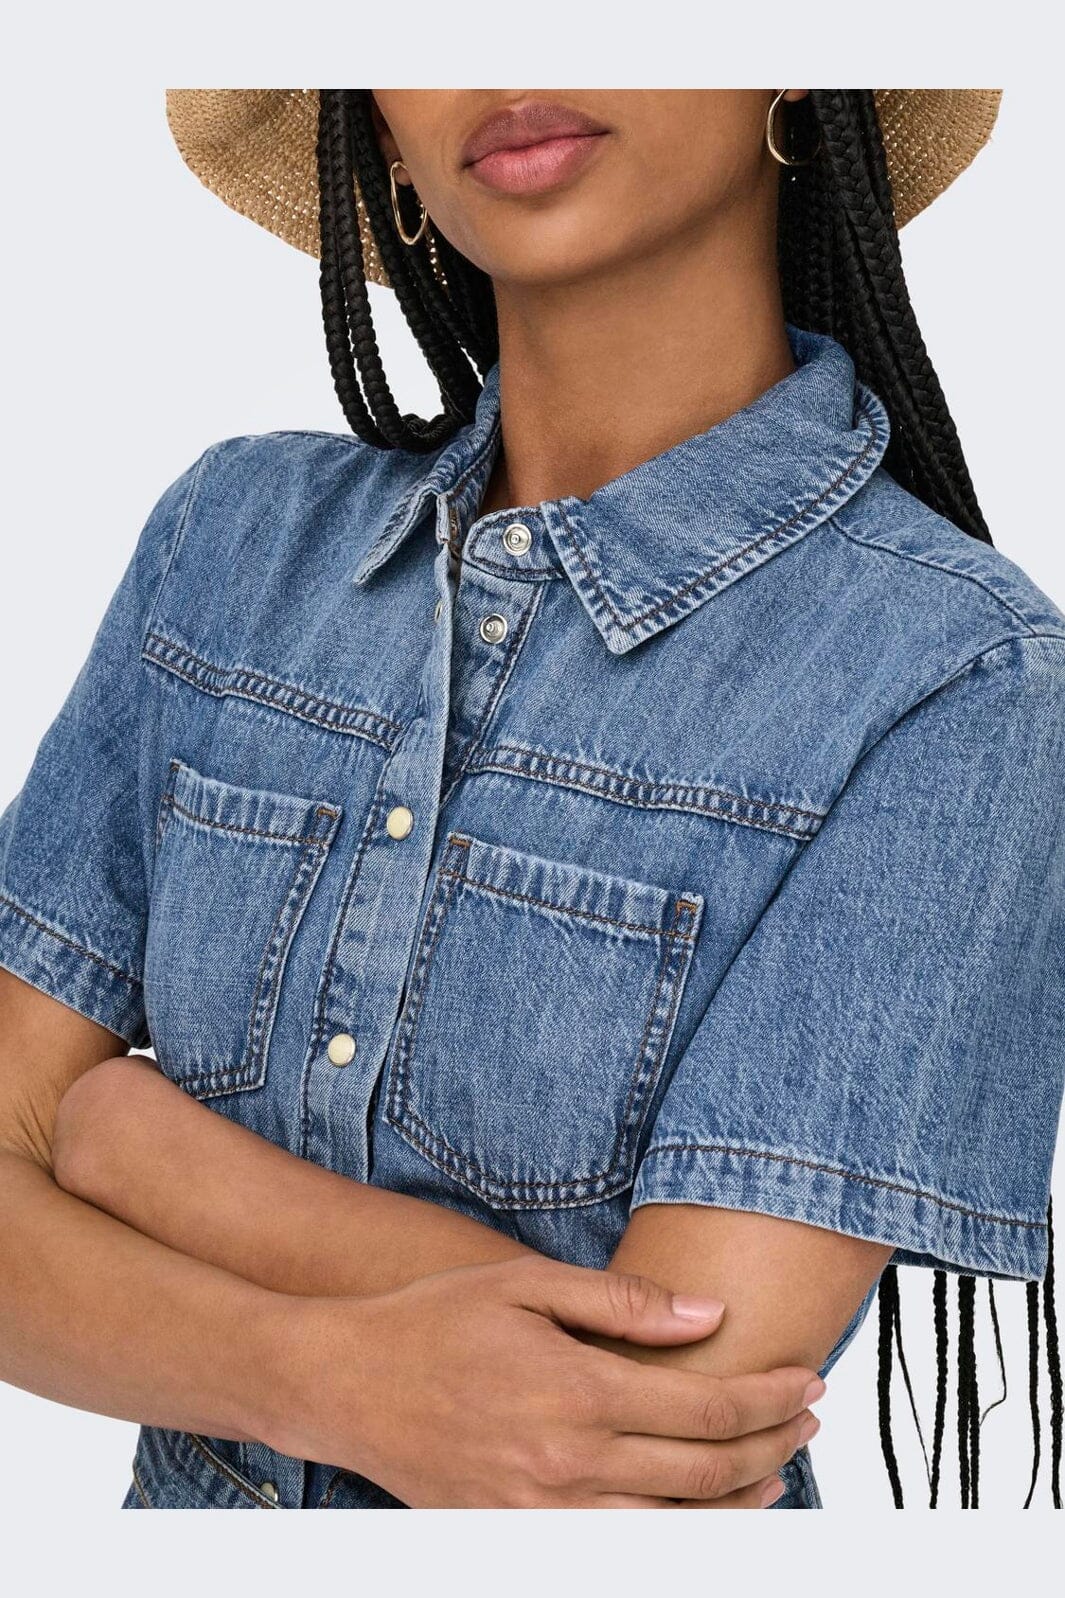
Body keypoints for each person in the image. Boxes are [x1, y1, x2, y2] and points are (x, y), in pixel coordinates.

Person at [0, 88, 1061, 1511]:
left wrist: (141, 1155)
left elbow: (673, 1428)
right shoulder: (231, 541)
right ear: (379, 132)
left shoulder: (959, 673)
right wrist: (317, 1375)